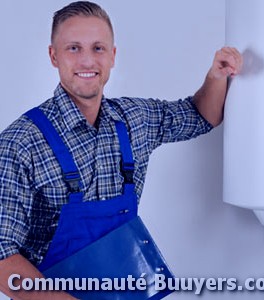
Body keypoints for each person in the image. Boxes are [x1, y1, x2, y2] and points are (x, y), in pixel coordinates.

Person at [0, 1, 243, 299]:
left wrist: (216, 76)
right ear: (54, 55)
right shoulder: (21, 142)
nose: (87, 61)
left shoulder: (134, 120)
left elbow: (200, 116)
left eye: (98, 48)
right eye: (73, 48)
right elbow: (2, 257)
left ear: (113, 56)